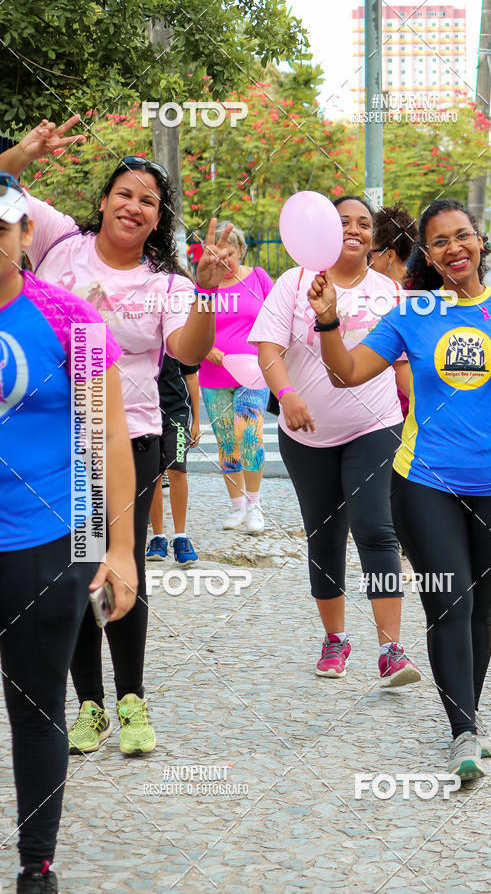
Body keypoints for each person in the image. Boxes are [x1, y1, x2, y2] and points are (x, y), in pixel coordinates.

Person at [309, 196, 491, 780]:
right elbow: (346, 373)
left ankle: (469, 713)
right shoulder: (412, 314)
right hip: (424, 483)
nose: (454, 248)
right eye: (440, 241)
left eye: (462, 235)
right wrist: (327, 321)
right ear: (431, 254)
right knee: (450, 602)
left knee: (482, 608)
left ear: (480, 241)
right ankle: (462, 730)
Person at [0, 115, 231, 757]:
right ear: (103, 201)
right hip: (52, 439)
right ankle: (91, 707)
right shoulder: (56, 244)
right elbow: (2, 190)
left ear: (158, 221)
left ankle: (131, 699)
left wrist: (208, 296)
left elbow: (185, 354)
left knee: (118, 563)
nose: (134, 207)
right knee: (72, 569)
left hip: (130, 437)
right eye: (125, 193)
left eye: (149, 202)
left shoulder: (167, 285)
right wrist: (22, 152)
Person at [0, 175, 137, 893]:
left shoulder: (70, 321)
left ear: (26, 236)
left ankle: (37, 865)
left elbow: (107, 438)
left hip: (42, 544)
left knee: (35, 708)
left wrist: (116, 550)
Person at [250, 195, 421, 686]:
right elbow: (268, 350)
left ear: (375, 236)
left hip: (376, 425)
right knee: (324, 535)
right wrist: (287, 396)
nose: (353, 230)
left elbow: (405, 366)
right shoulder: (294, 283)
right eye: (342, 221)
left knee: (375, 527)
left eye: (364, 224)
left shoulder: (390, 291)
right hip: (306, 435)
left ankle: (391, 648)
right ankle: (335, 640)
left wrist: (426, 416)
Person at [199, 222, 272, 534]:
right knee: (227, 442)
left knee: (250, 436)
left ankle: (255, 505)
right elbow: (189, 322)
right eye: (218, 255)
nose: (223, 261)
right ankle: (236, 506)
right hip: (213, 373)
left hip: (253, 372)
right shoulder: (203, 285)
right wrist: (206, 348)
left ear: (241, 251)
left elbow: (277, 316)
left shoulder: (258, 278)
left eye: (229, 254)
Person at [146, 354, 201, 565]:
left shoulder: (178, 337)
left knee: (177, 468)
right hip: (145, 411)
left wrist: (196, 421)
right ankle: (158, 537)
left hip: (176, 413)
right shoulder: (142, 333)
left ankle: (181, 537)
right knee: (153, 473)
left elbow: (191, 376)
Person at [370, 203, 416, 418]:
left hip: (408, 407)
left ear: (389, 256)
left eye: (370, 254)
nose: (365, 260)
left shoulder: (417, 293)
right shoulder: (365, 289)